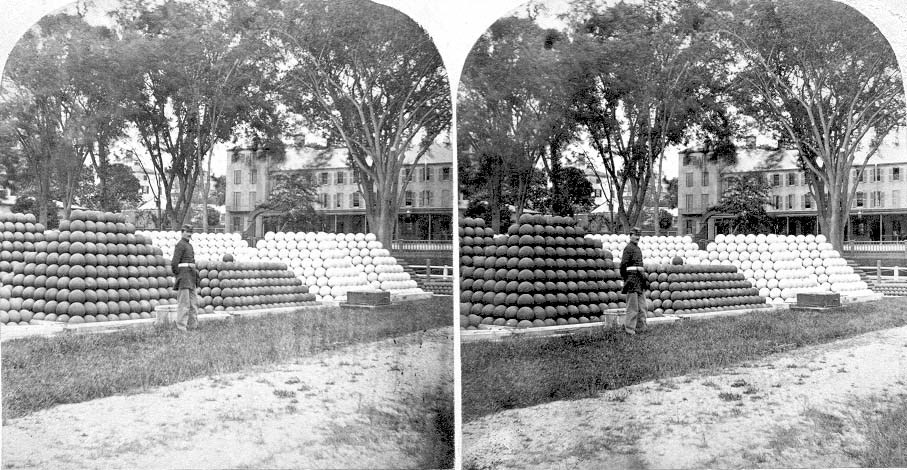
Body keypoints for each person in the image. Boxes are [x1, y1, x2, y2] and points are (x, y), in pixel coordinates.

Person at [619, 226, 648, 335]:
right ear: (630, 236)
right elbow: (623, 265)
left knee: (642, 306)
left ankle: (641, 328)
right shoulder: (628, 248)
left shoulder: (638, 248)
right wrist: (626, 278)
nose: (637, 237)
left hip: (640, 280)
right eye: (635, 235)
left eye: (639, 235)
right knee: (632, 307)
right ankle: (630, 330)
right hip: (631, 280)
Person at [171, 224, 199, 331]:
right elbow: (174, 263)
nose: (189, 234)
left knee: (193, 303)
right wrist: (179, 275)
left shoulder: (189, 245)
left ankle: (193, 325)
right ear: (182, 232)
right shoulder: (180, 245)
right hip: (184, 277)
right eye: (187, 232)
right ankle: (181, 327)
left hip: (191, 277)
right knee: (184, 304)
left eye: (190, 232)